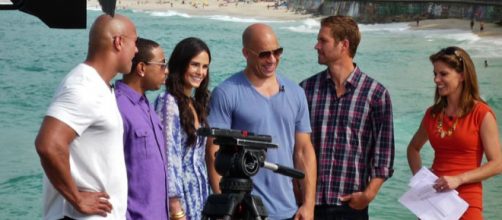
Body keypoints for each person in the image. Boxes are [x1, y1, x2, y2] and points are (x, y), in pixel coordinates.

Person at [206, 23, 317, 220]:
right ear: (246, 53)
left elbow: (303, 150)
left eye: (277, 52)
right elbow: (214, 152)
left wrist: (308, 205)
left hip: (288, 211)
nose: (272, 59)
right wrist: (223, 207)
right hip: (242, 211)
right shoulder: (226, 92)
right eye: (264, 54)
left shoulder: (296, 93)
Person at [34, 14, 138, 219]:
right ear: (119, 42)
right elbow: (48, 144)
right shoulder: (84, 86)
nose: (136, 50)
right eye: (135, 42)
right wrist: (77, 199)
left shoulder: (100, 86)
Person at [300, 16, 395, 220]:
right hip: (309, 205)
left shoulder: (376, 94)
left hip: (351, 206)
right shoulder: (305, 90)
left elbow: (384, 152)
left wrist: (369, 194)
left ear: (344, 45)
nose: (316, 46)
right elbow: (296, 146)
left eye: (323, 40)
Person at [407, 46, 502, 219]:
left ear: (462, 75)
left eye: (443, 74)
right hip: (433, 202)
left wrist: (459, 179)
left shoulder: (481, 113)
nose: (436, 79)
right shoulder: (432, 114)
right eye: (435, 74)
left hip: (466, 203)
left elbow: (497, 164)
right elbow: (413, 148)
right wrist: (420, 179)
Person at [155, 37, 211, 220]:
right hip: (180, 202)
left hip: (200, 197)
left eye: (205, 66)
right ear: (181, 64)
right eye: (195, 65)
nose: (200, 72)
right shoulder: (168, 102)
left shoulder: (195, 104)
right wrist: (176, 209)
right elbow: (168, 158)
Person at [114, 37, 169, 219]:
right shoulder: (118, 107)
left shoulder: (147, 106)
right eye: (161, 65)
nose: (166, 71)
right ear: (142, 68)